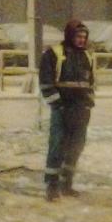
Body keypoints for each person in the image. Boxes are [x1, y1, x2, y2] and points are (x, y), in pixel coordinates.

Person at [39, 20, 95, 201]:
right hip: (62, 109)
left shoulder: (87, 56)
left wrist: (88, 103)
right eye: (78, 36)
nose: (81, 40)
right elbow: (46, 83)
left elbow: (91, 84)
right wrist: (58, 105)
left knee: (76, 147)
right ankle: (52, 185)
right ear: (70, 35)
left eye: (84, 37)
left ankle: (67, 183)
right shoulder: (54, 54)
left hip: (80, 110)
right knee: (58, 146)